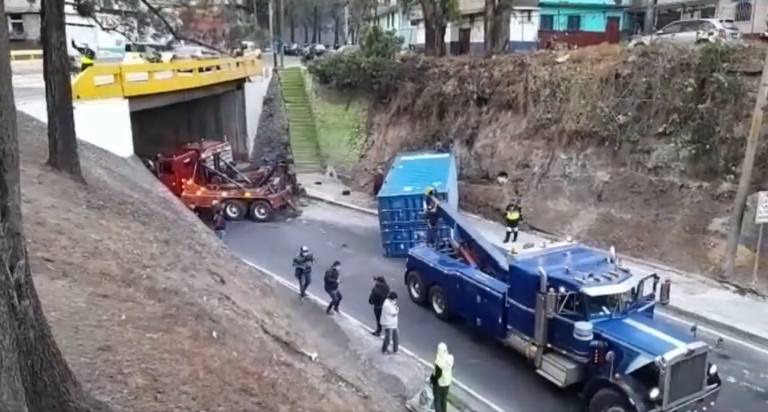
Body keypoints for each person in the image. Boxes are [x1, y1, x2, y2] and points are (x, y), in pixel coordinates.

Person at [430, 342, 454, 412]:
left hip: (440, 384)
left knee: (437, 400)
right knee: (444, 400)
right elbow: (452, 368)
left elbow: (437, 375)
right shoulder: (450, 358)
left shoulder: (439, 361)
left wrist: (432, 379)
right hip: (447, 383)